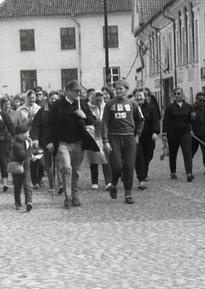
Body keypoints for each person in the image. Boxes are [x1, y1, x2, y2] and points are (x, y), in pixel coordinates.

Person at [46, 80, 99, 209]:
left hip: (78, 142)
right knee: (66, 167)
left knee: (75, 171)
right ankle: (67, 197)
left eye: (80, 91)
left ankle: (75, 195)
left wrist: (84, 115)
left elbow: (93, 120)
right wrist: (49, 142)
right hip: (62, 142)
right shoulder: (57, 105)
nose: (79, 93)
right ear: (67, 91)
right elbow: (49, 125)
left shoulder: (81, 105)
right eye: (76, 91)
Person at [104, 79, 143, 204]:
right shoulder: (109, 104)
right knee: (117, 166)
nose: (119, 91)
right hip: (114, 137)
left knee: (129, 166)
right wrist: (105, 141)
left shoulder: (133, 104)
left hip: (129, 137)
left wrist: (137, 135)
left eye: (121, 89)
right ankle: (114, 184)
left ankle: (128, 193)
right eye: (117, 89)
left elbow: (141, 120)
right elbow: (104, 123)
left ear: (126, 90)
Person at [162, 88, 195, 182]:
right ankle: (173, 171)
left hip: (185, 133)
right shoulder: (170, 107)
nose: (176, 95)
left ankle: (189, 172)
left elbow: (192, 120)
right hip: (173, 133)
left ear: (183, 94)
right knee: (173, 153)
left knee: (187, 152)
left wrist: (192, 124)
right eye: (175, 94)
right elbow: (166, 120)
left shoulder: (189, 106)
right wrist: (164, 133)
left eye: (178, 93)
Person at [134, 87, 160, 190]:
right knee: (138, 157)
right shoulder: (132, 107)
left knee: (148, 156)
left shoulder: (151, 108)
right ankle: (141, 179)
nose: (139, 97)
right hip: (136, 137)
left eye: (140, 96)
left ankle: (144, 173)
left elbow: (155, 121)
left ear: (144, 97)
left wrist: (155, 132)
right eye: (137, 96)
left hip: (149, 136)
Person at [7, 114, 34, 211]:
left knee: (27, 185)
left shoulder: (24, 141)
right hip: (17, 168)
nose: (28, 135)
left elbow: (27, 154)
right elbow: (23, 155)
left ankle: (29, 202)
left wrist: (32, 155)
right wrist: (30, 147)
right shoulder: (16, 144)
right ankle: (18, 202)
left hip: (25, 167)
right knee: (17, 186)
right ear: (20, 135)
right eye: (26, 133)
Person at [85, 90, 110, 190]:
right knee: (94, 160)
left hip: (104, 136)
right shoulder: (88, 107)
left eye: (101, 100)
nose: (99, 102)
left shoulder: (106, 107)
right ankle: (94, 182)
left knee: (105, 159)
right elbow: (87, 119)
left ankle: (108, 181)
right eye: (97, 100)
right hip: (93, 136)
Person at [190, 91, 205, 176]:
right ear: (196, 100)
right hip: (194, 135)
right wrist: (189, 130)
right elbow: (187, 121)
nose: (202, 102)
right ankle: (188, 167)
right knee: (191, 151)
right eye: (200, 100)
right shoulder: (191, 109)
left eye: (204, 100)